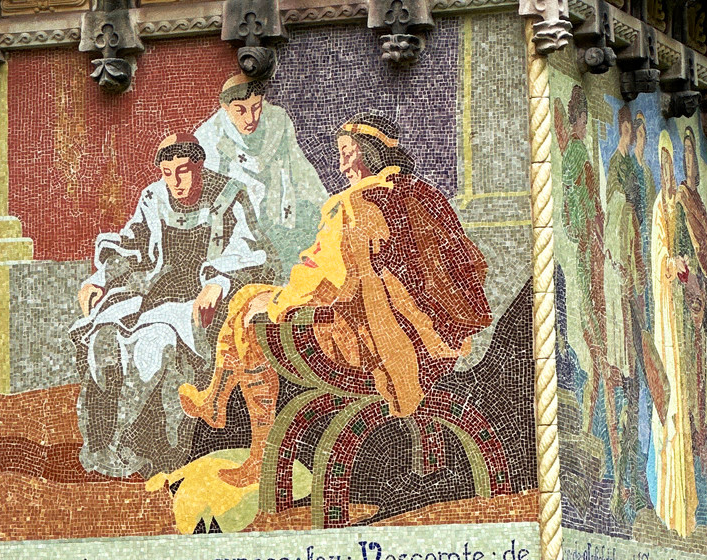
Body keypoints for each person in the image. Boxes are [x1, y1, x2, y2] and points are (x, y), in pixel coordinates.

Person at [180, 114, 491, 488]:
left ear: (365, 153)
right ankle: (216, 401)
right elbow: (470, 264)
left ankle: (247, 442)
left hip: (367, 345)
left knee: (248, 304)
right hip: (435, 345)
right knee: (251, 303)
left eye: (346, 152)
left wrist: (278, 303)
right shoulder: (426, 196)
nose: (342, 165)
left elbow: (323, 279)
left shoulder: (353, 203)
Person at [72, 133, 269, 480]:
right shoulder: (154, 196)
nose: (176, 182)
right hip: (153, 291)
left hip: (202, 302)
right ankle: (101, 446)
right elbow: (133, 243)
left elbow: (249, 249)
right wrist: (101, 278)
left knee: (155, 343)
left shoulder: (229, 195)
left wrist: (218, 282)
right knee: (104, 337)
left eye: (183, 171)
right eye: (167, 173)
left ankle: (150, 447)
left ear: (199, 165)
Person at [193, 75, 327, 278]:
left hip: (278, 210)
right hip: (237, 221)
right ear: (225, 107)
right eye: (240, 110)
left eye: (256, 107)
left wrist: (326, 208)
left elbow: (299, 168)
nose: (251, 118)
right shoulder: (208, 136)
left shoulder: (277, 119)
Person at [602, 102, 662, 521]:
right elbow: (619, 219)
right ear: (623, 128)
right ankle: (624, 483)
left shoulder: (636, 171)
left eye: (642, 135)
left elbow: (648, 212)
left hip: (638, 289)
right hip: (623, 293)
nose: (636, 139)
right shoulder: (616, 173)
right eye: (633, 132)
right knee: (626, 389)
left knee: (638, 391)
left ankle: (635, 480)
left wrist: (642, 159)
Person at [676, 130, 707, 544]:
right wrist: (692, 290)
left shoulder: (701, 207)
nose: (692, 164)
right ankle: (694, 509)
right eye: (687, 155)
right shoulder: (680, 205)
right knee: (693, 419)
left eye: (695, 157)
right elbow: (678, 262)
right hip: (689, 331)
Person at [557, 87, 608, 460]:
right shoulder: (576, 153)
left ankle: (593, 416)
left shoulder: (577, 152)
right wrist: (590, 231)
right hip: (587, 249)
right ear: (578, 121)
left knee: (595, 322)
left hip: (592, 247)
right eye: (584, 121)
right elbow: (575, 203)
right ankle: (590, 418)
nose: (586, 127)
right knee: (592, 322)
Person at [650, 132, 696, 536]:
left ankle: (685, 507)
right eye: (663, 168)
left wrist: (685, 265)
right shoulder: (657, 211)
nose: (667, 175)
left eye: (671, 168)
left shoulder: (677, 209)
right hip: (665, 313)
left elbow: (687, 255)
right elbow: (659, 258)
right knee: (670, 402)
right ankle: (666, 503)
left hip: (679, 314)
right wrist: (672, 264)